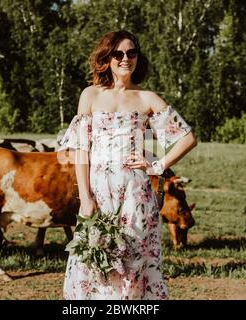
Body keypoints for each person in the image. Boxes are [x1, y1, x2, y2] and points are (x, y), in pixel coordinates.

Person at [58, 30, 197, 300]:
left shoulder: (147, 99)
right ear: (107, 57)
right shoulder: (91, 95)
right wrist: (85, 198)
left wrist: (157, 165)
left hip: (135, 197)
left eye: (131, 53)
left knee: (132, 263)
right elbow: (81, 151)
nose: (125, 59)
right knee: (94, 261)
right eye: (119, 54)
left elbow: (187, 138)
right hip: (98, 194)